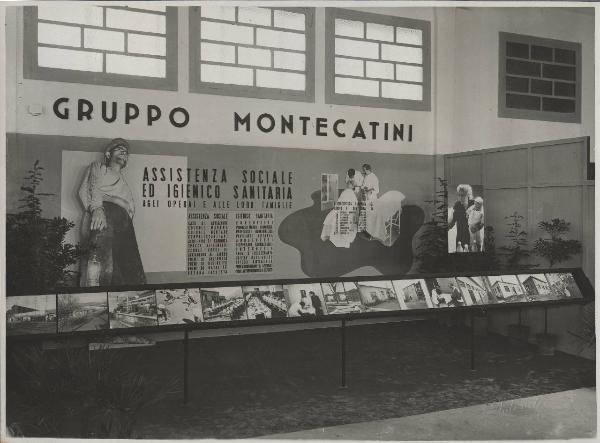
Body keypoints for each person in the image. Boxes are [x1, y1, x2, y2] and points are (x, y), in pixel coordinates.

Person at [78, 138, 145, 287]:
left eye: (126, 152)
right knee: (101, 267)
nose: (124, 152)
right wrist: (98, 208)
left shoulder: (124, 182)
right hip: (104, 216)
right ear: (108, 154)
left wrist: (124, 208)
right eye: (119, 149)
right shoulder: (99, 167)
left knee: (128, 270)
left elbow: (130, 208)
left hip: (125, 226)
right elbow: (86, 191)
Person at [448, 184, 475, 253]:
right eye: (459, 195)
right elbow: (452, 222)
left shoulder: (474, 204)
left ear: (468, 195)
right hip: (460, 237)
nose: (460, 197)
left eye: (462, 195)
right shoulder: (457, 205)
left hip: (473, 238)